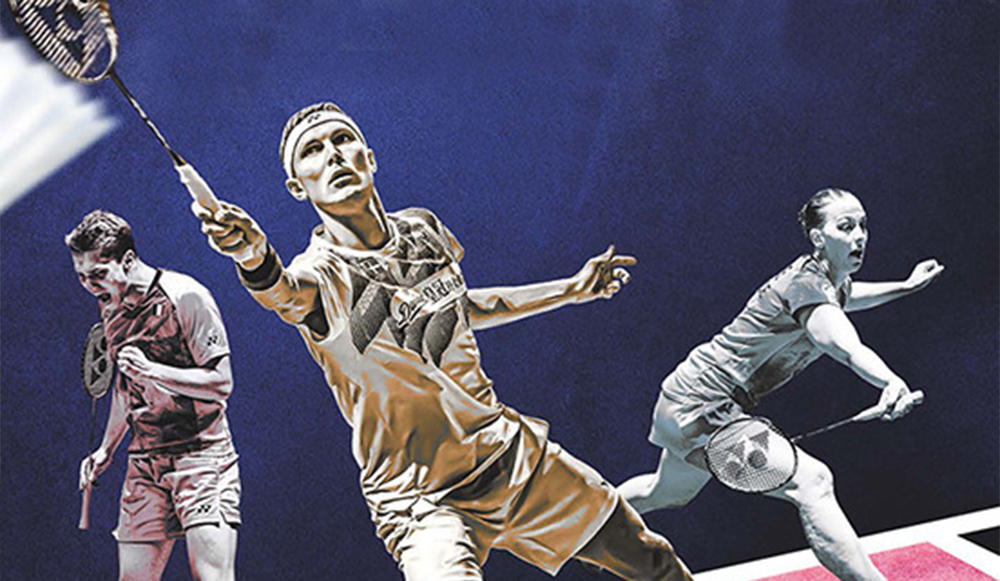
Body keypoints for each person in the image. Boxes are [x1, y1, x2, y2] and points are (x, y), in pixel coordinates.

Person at [187, 102, 693, 581]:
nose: (333, 155)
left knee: (653, 560)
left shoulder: (423, 229)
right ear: (298, 187)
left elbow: (462, 309)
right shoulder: (322, 276)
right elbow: (283, 294)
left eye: (343, 139)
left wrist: (570, 290)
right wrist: (253, 256)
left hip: (510, 455)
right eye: (312, 150)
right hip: (422, 502)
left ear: (370, 158)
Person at [618, 188, 944, 581]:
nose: (859, 235)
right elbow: (844, 346)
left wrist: (906, 286)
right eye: (845, 227)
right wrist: (889, 381)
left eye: (862, 225)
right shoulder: (806, 287)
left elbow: (846, 296)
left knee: (665, 493)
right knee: (813, 482)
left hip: (687, 393)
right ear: (818, 237)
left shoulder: (825, 281)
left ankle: (584, 521)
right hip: (704, 403)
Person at [69, 210, 241, 581]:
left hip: (202, 457)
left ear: (127, 260)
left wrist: (154, 371)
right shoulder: (110, 306)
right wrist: (106, 450)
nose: (89, 285)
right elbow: (125, 386)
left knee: (211, 577)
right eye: (81, 276)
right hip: (145, 462)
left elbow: (221, 383)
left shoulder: (186, 296)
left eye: (98, 274)